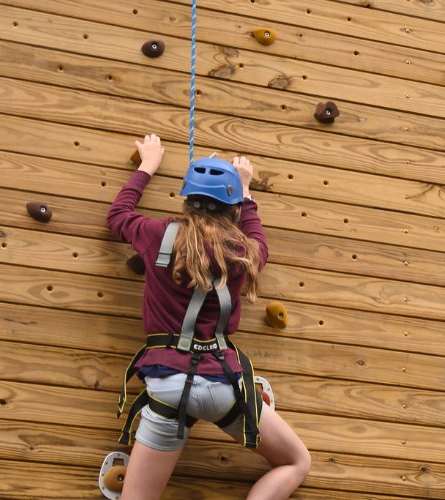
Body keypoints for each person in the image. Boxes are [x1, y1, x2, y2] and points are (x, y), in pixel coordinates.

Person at [107, 134, 310, 499]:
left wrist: (147, 165)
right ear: (232, 209)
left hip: (168, 383)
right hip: (223, 385)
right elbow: (260, 241)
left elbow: (118, 217)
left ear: (186, 199)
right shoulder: (244, 251)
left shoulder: (157, 235)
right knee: (296, 462)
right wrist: (246, 191)